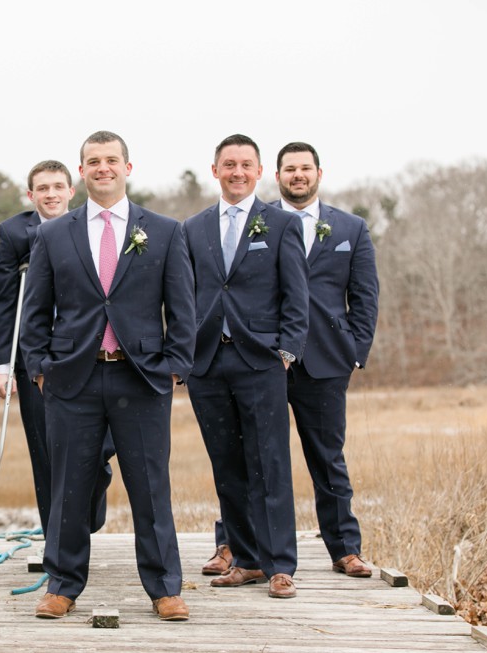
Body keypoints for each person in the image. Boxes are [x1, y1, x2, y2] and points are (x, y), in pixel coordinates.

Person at [21, 131, 195, 621]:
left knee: (150, 487)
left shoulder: (162, 231)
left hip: (140, 378)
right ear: (81, 171)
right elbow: (35, 311)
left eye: (111, 160)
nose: (103, 168)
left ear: (127, 167)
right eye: (93, 161)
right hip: (72, 380)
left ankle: (164, 588)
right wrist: (39, 368)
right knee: (69, 488)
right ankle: (62, 584)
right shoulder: (53, 234)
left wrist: (175, 365)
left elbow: (182, 306)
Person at [182, 134, 309, 599]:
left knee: (269, 462)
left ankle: (280, 565)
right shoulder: (192, 229)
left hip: (261, 360)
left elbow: (297, 296)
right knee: (227, 465)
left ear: (259, 172)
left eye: (245, 165)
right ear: (215, 170)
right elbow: (181, 296)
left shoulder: (279, 224)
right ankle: (248, 559)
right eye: (228, 164)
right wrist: (182, 354)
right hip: (207, 361)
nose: (237, 172)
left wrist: (287, 350)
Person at [0, 160, 112, 537]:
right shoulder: (14, 233)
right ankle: (57, 540)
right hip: (38, 359)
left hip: (89, 355)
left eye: (58, 187)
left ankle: (87, 515)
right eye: (42, 188)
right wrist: (0, 365)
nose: (51, 194)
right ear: (31, 195)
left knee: (100, 450)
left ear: (71, 191)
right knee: (47, 453)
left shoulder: (88, 227)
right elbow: (4, 302)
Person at [274, 141, 379, 577]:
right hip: (265, 358)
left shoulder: (350, 228)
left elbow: (365, 296)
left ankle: (344, 548)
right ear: (276, 175)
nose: (298, 175)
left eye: (305, 168)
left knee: (328, 458)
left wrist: (355, 351)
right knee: (251, 456)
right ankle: (233, 545)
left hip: (326, 361)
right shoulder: (258, 223)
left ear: (319, 173)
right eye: (289, 169)